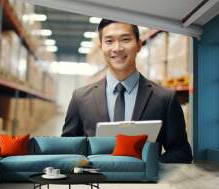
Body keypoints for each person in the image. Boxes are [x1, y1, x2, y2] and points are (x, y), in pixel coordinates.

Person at [62, 19, 193, 163]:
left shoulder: (165, 98)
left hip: (145, 184)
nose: (117, 48)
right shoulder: (80, 98)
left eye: (125, 39)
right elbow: (67, 148)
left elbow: (181, 152)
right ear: (101, 47)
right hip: (96, 182)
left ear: (139, 45)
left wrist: (148, 167)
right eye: (109, 41)